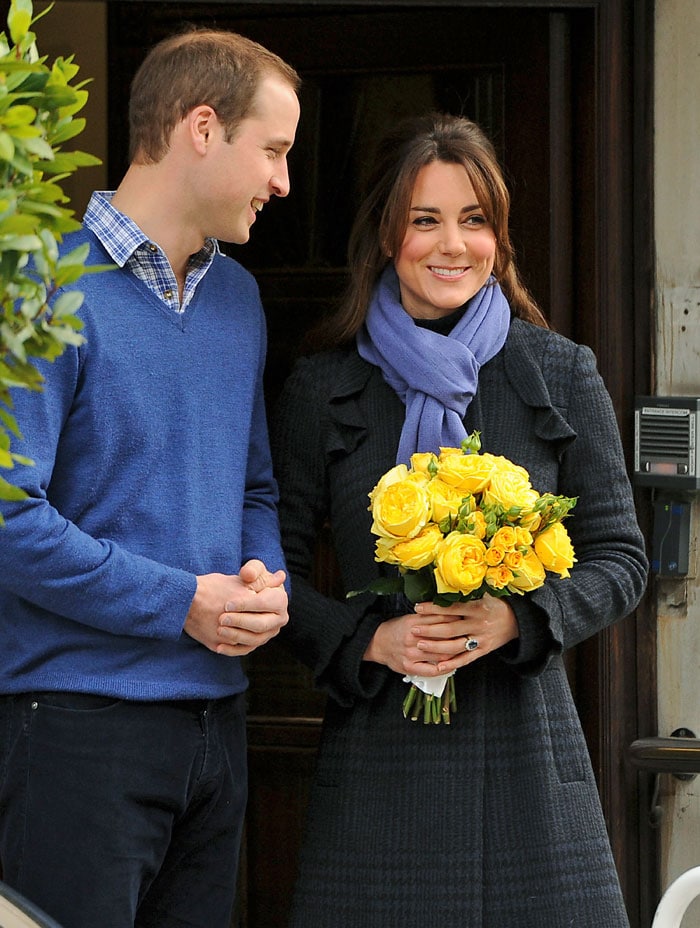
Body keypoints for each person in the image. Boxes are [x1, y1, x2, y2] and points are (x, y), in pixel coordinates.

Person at [271, 112, 648, 928]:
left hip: (529, 769)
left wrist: (517, 617)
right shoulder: (321, 387)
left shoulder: (557, 370)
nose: (453, 245)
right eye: (425, 220)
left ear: (500, 236)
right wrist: (368, 638)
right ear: (384, 235)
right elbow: (270, 574)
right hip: (378, 773)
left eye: (474, 220)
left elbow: (621, 557)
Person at [0, 27, 300, 928]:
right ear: (202, 129)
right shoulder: (39, 286)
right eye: (274, 150)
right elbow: (9, 515)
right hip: (74, 727)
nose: (283, 182)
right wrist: (182, 602)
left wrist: (261, 579)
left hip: (217, 727)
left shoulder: (238, 299)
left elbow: (251, 488)